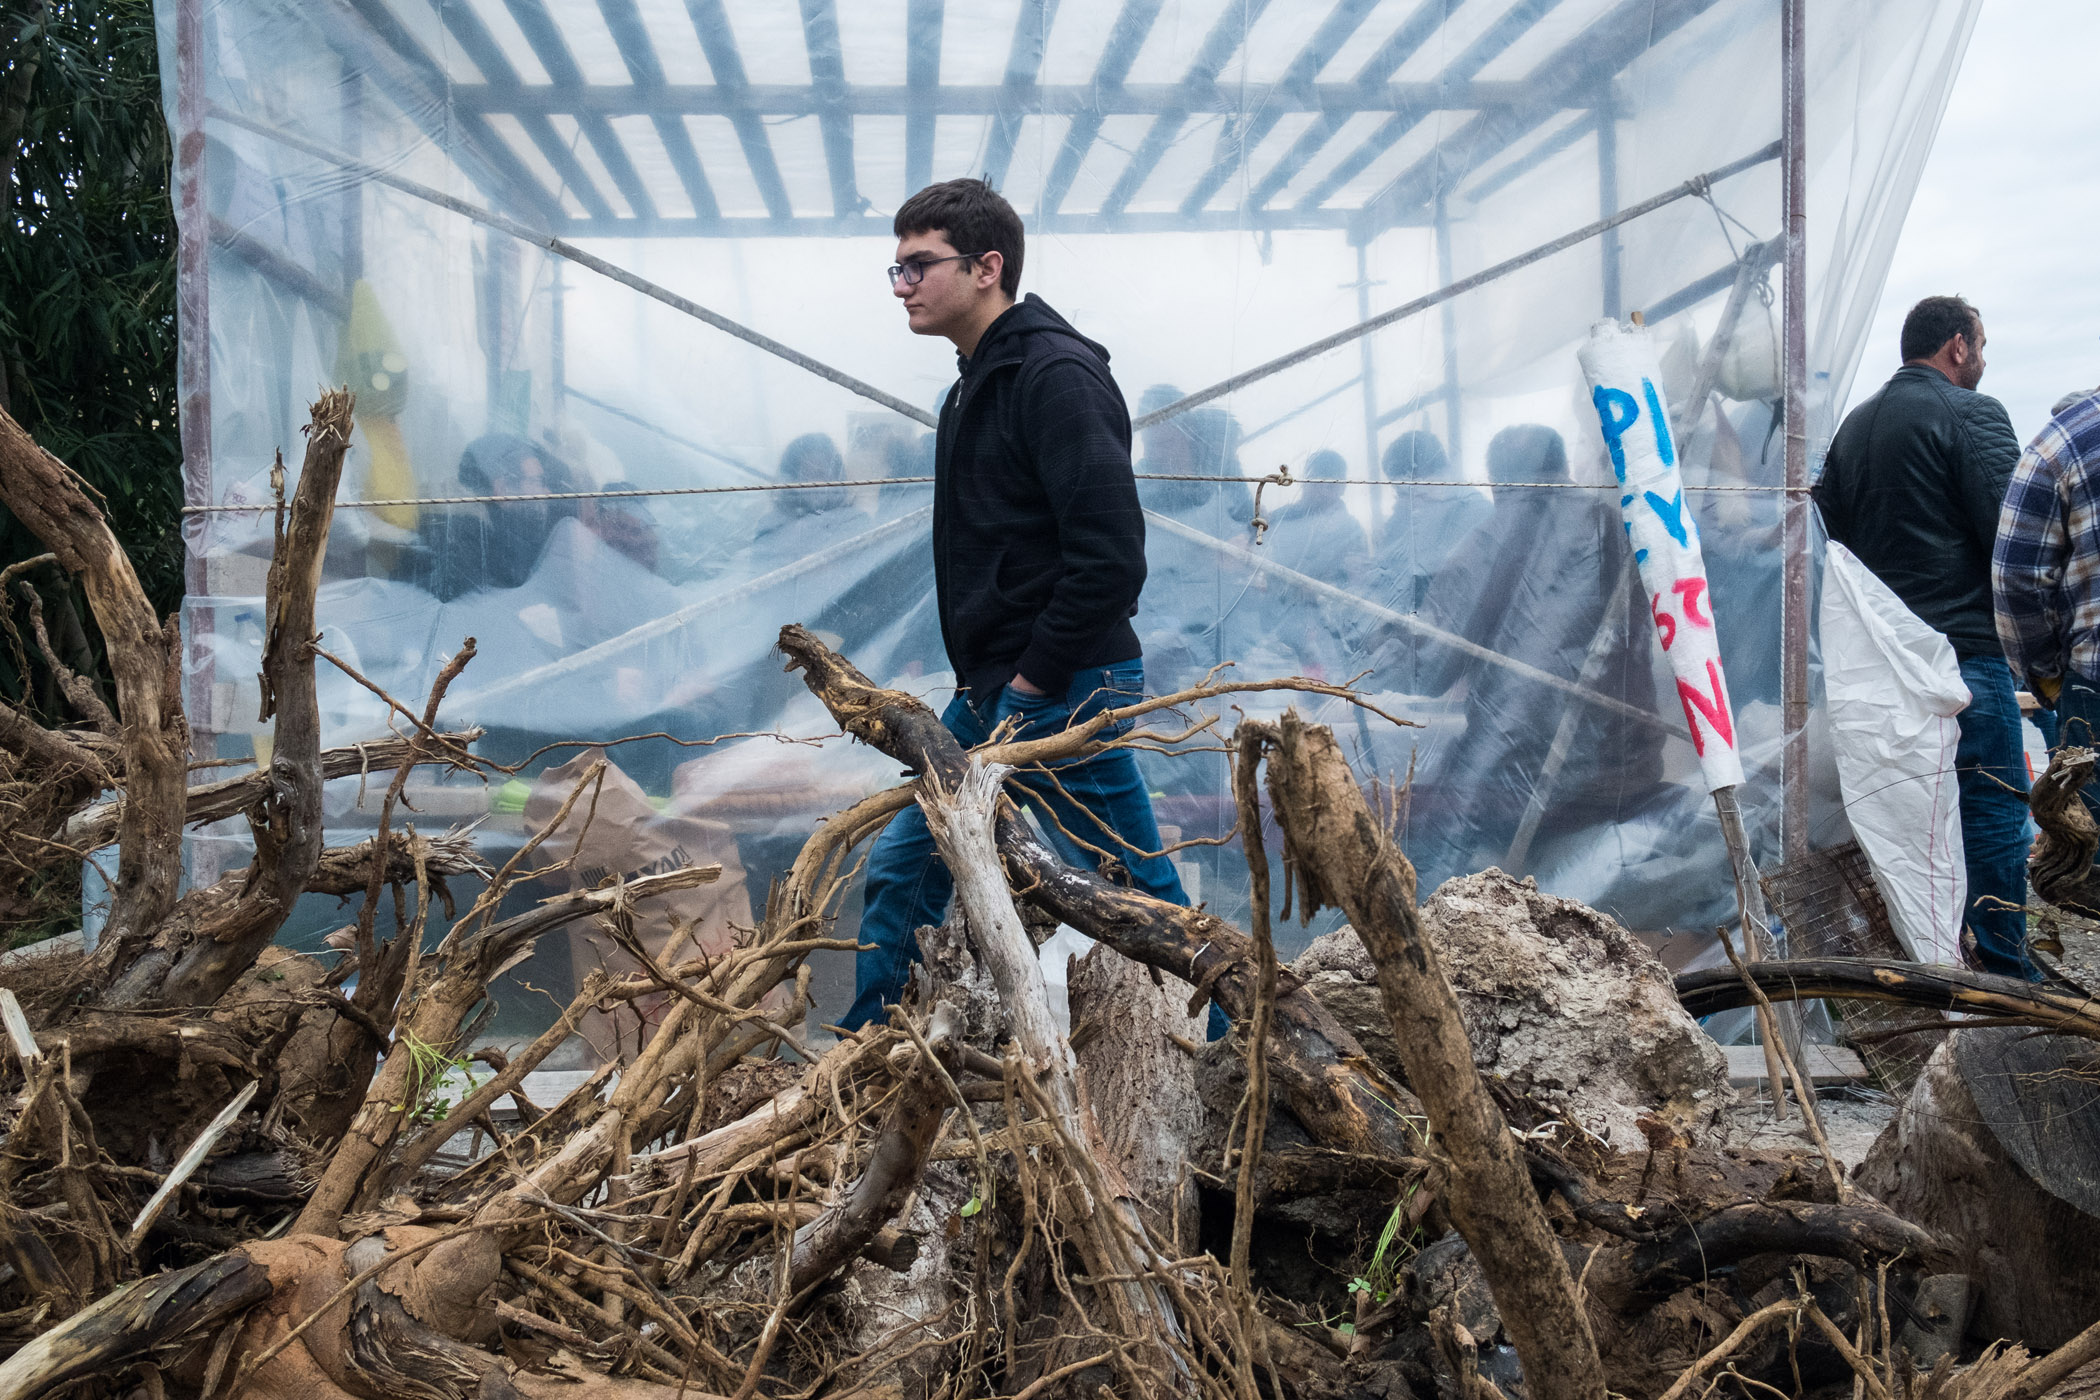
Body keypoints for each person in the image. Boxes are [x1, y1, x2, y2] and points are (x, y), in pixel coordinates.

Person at [842, 177, 1202, 1033]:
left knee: (1132, 892)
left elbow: (1111, 557)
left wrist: (1035, 683)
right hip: (997, 688)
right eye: (896, 269)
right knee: (907, 868)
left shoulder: (1056, 376)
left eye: (919, 266)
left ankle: (1234, 1059)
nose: (902, 286)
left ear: (986, 267)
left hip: (1063, 682)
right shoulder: (973, 386)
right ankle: (871, 1057)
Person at [1814, 295, 2031, 979]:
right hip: (1964, 653)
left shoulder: (1853, 428)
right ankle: (2003, 969)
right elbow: (2010, 537)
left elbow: (1831, 541)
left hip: (1886, 659)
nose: (1983, 358)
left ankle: (1938, 956)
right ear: (1957, 345)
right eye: (1981, 345)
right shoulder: (1972, 414)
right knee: (1993, 804)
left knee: (1915, 816)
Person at [1409, 425, 1658, 890]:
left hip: (1528, 782)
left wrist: (1367, 636)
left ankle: (1432, 915)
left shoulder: (1491, 539)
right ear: (1563, 468)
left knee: (1432, 836)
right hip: (1631, 765)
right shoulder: (1616, 527)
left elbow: (1429, 668)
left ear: (1496, 483)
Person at [1996, 385, 2100, 825]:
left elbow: (2017, 576)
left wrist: (2048, 673)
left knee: (2091, 845)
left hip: (2093, 686)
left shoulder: (2067, 441)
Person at [399, 434, 578, 600]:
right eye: (536, 482)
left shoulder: (511, 530)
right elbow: (469, 612)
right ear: (503, 489)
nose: (547, 492)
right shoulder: (463, 543)